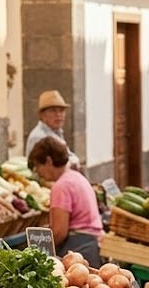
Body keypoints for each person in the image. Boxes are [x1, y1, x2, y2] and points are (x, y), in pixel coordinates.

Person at [27, 136, 103, 267]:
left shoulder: (61, 186)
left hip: (78, 249)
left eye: (38, 166)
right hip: (92, 245)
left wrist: (36, 256)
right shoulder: (77, 177)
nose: (38, 173)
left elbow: (59, 232)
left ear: (48, 161)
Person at [24, 89, 80, 168]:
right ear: (42, 115)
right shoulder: (39, 136)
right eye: (53, 111)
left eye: (61, 111)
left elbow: (69, 156)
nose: (58, 115)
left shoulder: (57, 132)